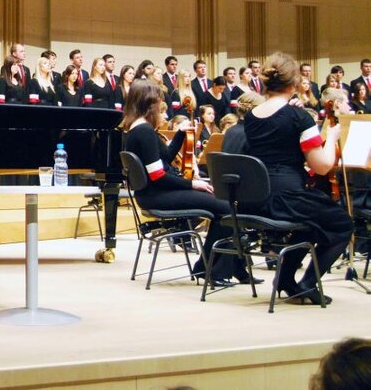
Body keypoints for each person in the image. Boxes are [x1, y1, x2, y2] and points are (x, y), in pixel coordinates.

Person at [243, 52, 353, 305]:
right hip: (286, 197)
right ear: (294, 83)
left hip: (255, 197)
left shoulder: (251, 116)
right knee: (341, 225)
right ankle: (306, 284)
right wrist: (332, 137)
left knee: (315, 221)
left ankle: (285, 279)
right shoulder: (299, 117)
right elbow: (322, 166)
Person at [121, 80, 250, 285]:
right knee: (227, 208)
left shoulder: (136, 128)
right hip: (157, 195)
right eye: (159, 102)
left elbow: (164, 158)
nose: (161, 108)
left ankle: (215, 267)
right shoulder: (144, 131)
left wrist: (180, 135)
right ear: (150, 103)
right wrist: (193, 184)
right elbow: (158, 176)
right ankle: (211, 270)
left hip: (152, 193)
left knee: (223, 206)